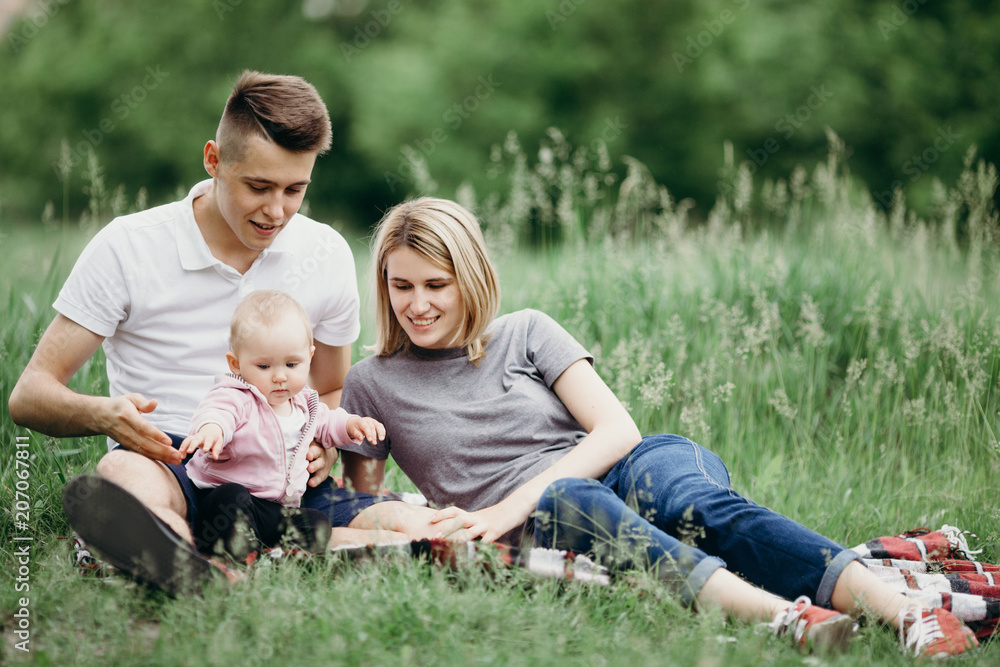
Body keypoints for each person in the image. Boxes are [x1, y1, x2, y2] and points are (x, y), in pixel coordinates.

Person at [336, 196, 980, 658]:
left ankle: (908, 616)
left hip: (631, 465)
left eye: (436, 285)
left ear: (471, 279)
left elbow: (617, 430)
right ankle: (788, 618)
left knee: (689, 500)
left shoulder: (526, 331)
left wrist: (506, 506)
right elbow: (369, 511)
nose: (417, 305)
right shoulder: (373, 383)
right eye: (401, 287)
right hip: (561, 516)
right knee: (572, 500)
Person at [8, 70, 437, 596]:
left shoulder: (325, 254)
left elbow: (328, 387)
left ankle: (326, 543)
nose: (276, 210)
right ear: (213, 160)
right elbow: (29, 396)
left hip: (280, 465)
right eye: (257, 186)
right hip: (170, 455)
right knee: (123, 471)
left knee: (414, 523)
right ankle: (183, 557)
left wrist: (321, 444)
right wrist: (102, 414)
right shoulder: (129, 247)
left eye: (294, 189)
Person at [178, 290, 387, 559]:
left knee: (316, 522)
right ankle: (231, 555)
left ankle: (278, 555)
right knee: (233, 499)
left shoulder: (304, 404)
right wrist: (212, 430)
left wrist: (353, 424)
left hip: (275, 508)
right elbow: (219, 412)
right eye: (264, 366)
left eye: (291, 364)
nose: (279, 377)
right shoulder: (239, 396)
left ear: (309, 357)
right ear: (236, 364)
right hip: (222, 500)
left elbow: (328, 422)